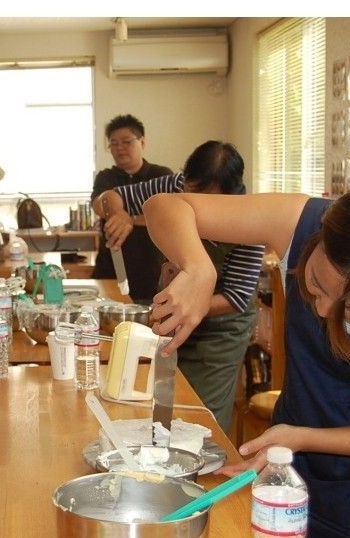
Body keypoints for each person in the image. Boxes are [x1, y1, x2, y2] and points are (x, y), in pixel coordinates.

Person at [143, 182, 350, 538]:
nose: (322, 312)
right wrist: (199, 269)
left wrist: (304, 437)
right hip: (286, 484)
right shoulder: (300, 220)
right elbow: (165, 205)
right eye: (315, 284)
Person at [92, 141, 264, 431]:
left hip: (219, 331)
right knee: (160, 403)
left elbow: (236, 296)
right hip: (174, 319)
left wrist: (185, 307)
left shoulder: (250, 218)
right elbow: (108, 197)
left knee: (201, 418)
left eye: (207, 197)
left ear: (231, 193)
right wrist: (117, 212)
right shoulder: (173, 185)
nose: (194, 201)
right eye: (191, 190)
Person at [91, 114, 173, 303]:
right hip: (111, 268)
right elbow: (98, 205)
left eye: (126, 142)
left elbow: (168, 216)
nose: (119, 148)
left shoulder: (161, 175)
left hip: (151, 270)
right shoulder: (105, 177)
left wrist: (130, 219)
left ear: (142, 142)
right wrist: (118, 213)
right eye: (113, 143)